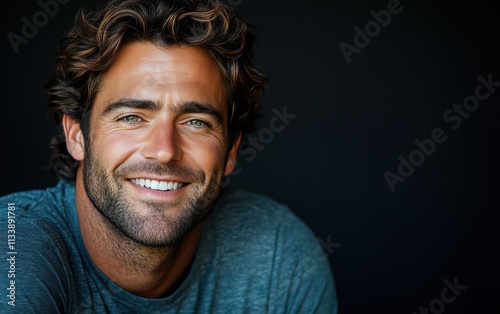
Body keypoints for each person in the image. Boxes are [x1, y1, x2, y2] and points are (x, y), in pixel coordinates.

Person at [1, 0, 338, 312]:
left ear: (231, 151)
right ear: (77, 135)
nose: (164, 151)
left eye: (195, 122)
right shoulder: (16, 244)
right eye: (132, 117)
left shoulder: (279, 255)